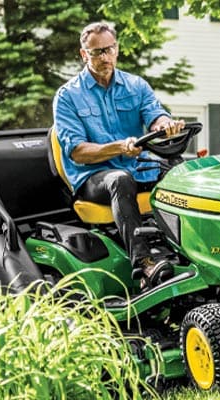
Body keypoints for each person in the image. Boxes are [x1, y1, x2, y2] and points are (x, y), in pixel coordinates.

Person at [52, 22, 185, 289]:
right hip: (93, 177)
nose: (104, 57)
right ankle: (144, 264)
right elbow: (78, 152)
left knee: (181, 172)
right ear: (83, 55)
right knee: (120, 180)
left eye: (109, 49)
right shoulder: (68, 96)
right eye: (96, 52)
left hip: (138, 167)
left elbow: (154, 114)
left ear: (117, 49)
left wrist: (163, 125)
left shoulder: (136, 86)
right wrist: (119, 147)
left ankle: (190, 251)